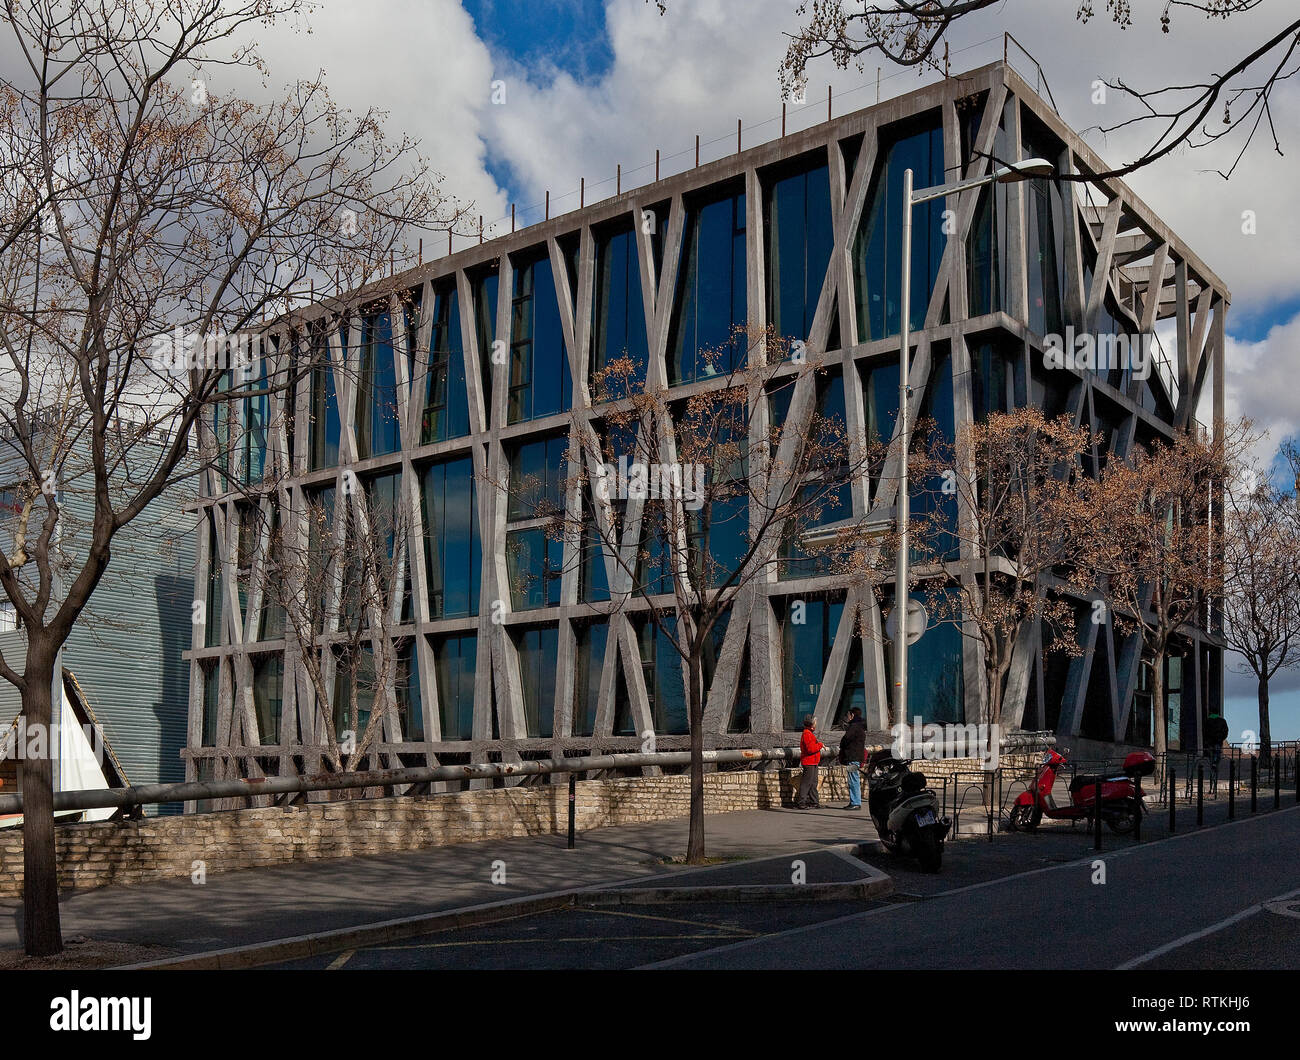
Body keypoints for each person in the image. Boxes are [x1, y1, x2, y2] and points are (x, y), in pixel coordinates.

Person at [839, 707, 867, 810]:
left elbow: (845, 739)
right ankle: (855, 801)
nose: (847, 717)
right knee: (854, 779)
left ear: (852, 715)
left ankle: (855, 802)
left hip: (852, 757)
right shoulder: (861, 727)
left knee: (853, 780)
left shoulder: (854, 727)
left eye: (848, 715)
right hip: (856, 757)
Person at [794, 715, 824, 808]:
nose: (816, 725)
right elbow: (810, 749)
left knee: (813, 783)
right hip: (809, 762)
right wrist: (820, 745)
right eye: (815, 723)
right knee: (807, 783)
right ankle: (801, 802)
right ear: (811, 724)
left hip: (813, 762)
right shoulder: (807, 734)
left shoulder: (809, 733)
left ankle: (814, 801)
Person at [1205, 712, 1230, 790]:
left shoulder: (1208, 720)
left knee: (1211, 754)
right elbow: (1226, 731)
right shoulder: (1222, 721)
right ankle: (1215, 763)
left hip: (1210, 741)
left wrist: (1207, 739)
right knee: (1217, 753)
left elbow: (1205, 731)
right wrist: (1222, 738)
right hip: (1218, 741)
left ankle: (1212, 764)